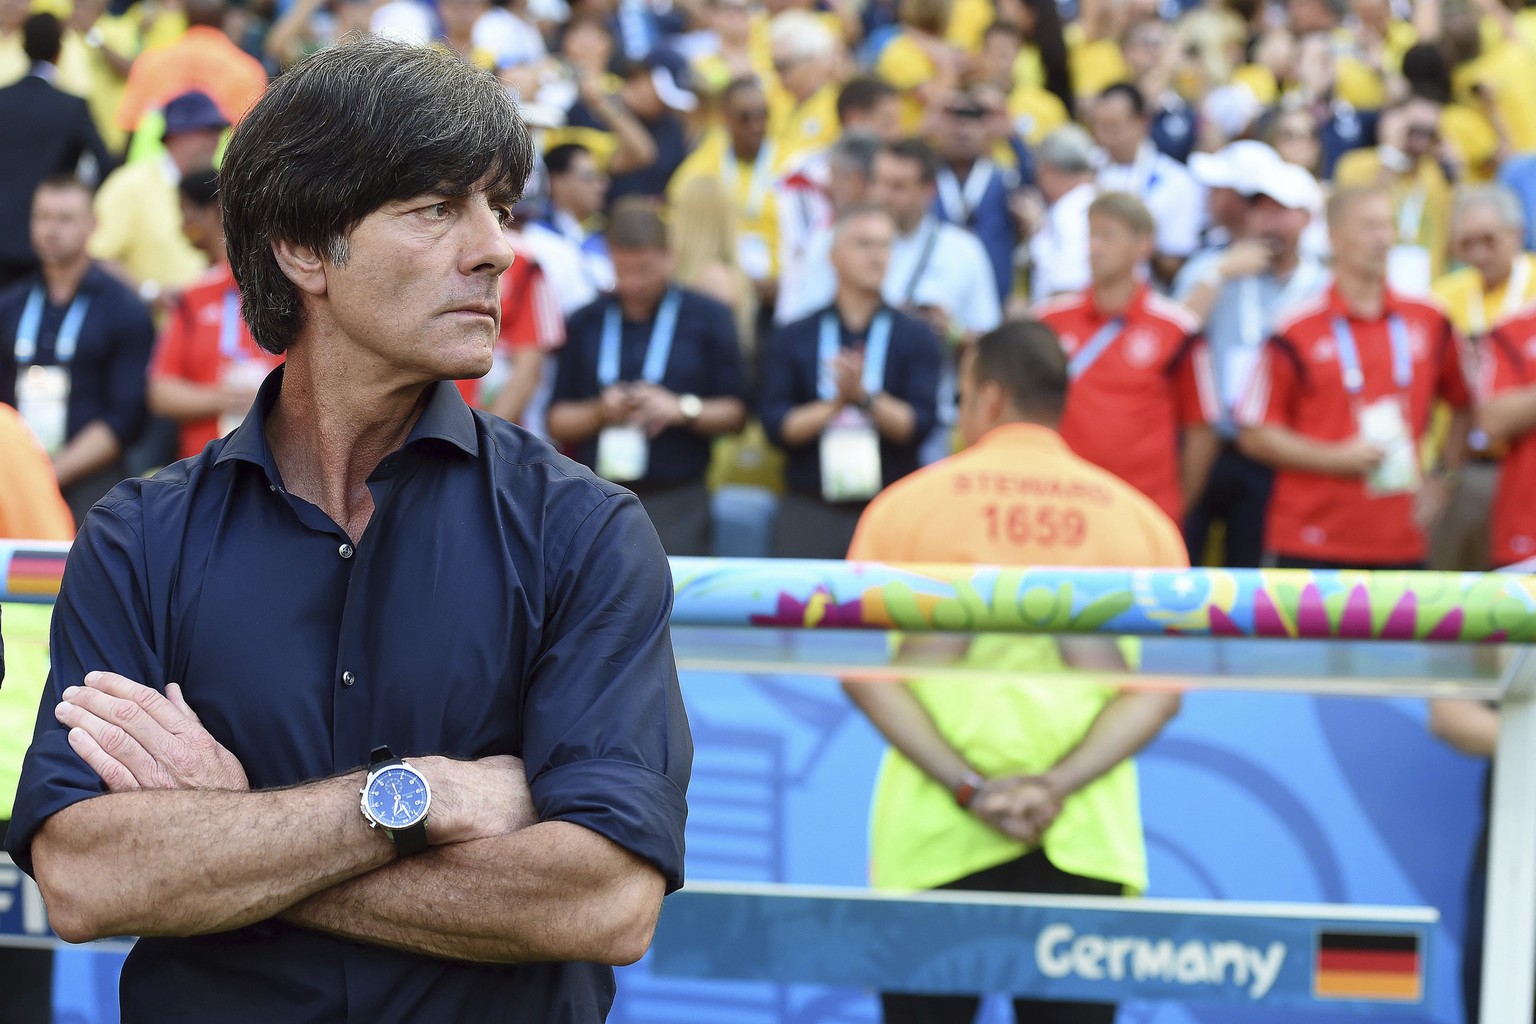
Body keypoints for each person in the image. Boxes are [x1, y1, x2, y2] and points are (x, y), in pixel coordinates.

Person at [5, 39, 691, 1022]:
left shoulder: (582, 529)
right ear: (302, 245)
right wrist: (415, 798)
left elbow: (606, 898)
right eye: (436, 208)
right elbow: (84, 877)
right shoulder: (138, 535)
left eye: (500, 208)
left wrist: (230, 838)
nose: (495, 246)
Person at [842, 318, 1184, 1024]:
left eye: (961, 395)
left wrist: (970, 789)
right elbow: (1158, 696)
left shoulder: (906, 507)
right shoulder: (1141, 521)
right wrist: (1054, 786)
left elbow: (864, 674)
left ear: (990, 397)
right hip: (1084, 831)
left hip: (933, 833)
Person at [1237, 185, 1472, 569]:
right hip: (1310, 537)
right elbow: (1255, 433)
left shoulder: (1429, 319)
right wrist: (1335, 458)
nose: (1382, 239)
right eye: (1368, 227)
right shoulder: (1294, 329)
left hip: (1401, 538)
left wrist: (1443, 480)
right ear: (1333, 237)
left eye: (1388, 226)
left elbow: (1465, 404)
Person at [548, 200, 749, 556]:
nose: (632, 282)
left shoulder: (708, 317)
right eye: (622, 269)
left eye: (644, 269)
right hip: (598, 497)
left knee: (680, 604)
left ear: (669, 257)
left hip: (679, 498)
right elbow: (557, 420)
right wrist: (600, 411)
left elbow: (737, 414)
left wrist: (679, 409)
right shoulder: (586, 321)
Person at [761, 204, 942, 558]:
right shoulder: (795, 335)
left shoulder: (917, 336)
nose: (877, 257)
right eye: (864, 245)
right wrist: (836, 404)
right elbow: (777, 426)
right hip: (810, 507)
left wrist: (864, 398)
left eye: (885, 246)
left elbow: (918, 425)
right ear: (834, 256)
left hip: (889, 508)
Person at [1174, 160, 1329, 566]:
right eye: (1260, 210)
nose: (1269, 223)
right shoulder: (1210, 269)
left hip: (1275, 448)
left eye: (1281, 211)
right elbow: (1171, 337)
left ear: (1307, 218)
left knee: (1255, 576)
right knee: (1183, 562)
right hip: (1208, 442)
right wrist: (1220, 273)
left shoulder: (1321, 285)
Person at [1035, 192, 1217, 525]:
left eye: (1108, 236)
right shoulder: (1049, 321)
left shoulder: (1178, 329)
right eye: (1091, 234)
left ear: (1144, 244)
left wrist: (1175, 506)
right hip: (1063, 509)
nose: (1095, 247)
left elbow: (1201, 429)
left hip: (1145, 510)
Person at [0, 175, 154, 524]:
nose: (52, 230)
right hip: (12, 473)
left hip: (94, 479)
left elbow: (126, 417)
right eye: (43, 217)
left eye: (65, 219)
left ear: (92, 224)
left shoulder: (123, 308)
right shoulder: (10, 305)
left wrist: (51, 472)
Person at [1429, 185, 1536, 571]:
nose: (1478, 254)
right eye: (1466, 244)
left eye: (1489, 240)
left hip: (1521, 471)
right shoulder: (1442, 297)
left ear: (1516, 234)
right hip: (1461, 467)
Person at [147, 167, 282, 462]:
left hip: (277, 463)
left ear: (213, 212)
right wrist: (225, 397)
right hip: (204, 467)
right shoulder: (191, 297)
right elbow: (160, 392)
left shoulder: (279, 287)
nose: (182, 227)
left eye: (185, 213)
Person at [0, 13, 112, 292]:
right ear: (59, 52)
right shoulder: (71, 107)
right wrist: (76, 204)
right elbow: (106, 162)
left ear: (23, 47)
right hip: (52, 239)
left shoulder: (2, 100)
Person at [89, 89, 226, 301]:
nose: (215, 141)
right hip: (150, 327)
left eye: (218, 132)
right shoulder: (130, 184)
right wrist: (149, 293)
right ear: (175, 136)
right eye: (207, 131)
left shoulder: (221, 187)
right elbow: (95, 256)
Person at [668, 76, 781, 300]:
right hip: (722, 291)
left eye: (763, 115)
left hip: (781, 288)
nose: (756, 125)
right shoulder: (700, 168)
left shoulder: (792, 164)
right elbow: (682, 232)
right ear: (724, 118)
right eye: (745, 117)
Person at [1334, 94, 1453, 295]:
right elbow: (1361, 212)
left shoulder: (1436, 176)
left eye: (1430, 132)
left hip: (1427, 291)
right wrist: (1390, 157)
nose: (1421, 140)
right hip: (1371, 289)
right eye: (1414, 130)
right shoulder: (1355, 165)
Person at [1089, 82, 1204, 286]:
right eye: (1099, 126)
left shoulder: (1176, 181)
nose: (1105, 137)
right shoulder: (1085, 169)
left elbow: (1173, 264)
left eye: (1114, 127)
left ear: (1142, 122)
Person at [112, 0, 267, 134]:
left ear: (184, 17)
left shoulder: (150, 62)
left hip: (152, 165)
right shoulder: (248, 71)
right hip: (219, 167)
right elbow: (252, 138)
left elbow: (129, 127)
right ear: (223, 19)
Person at [932, 88, 1021, 306]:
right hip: (935, 299)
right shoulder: (924, 180)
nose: (962, 131)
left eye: (973, 121)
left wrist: (1012, 135)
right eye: (954, 121)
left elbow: (1037, 178)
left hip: (992, 301)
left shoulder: (1006, 180)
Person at [1023, 124, 1096, 303]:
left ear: (1047, 170)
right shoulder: (1093, 199)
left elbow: (1068, 285)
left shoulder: (1070, 211)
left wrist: (1037, 229)